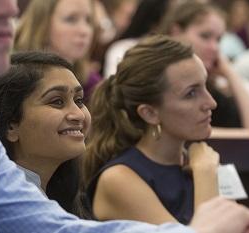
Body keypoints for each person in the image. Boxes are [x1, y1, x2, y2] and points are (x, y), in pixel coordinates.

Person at [0, 0, 249, 233]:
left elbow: (55, 226)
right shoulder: (121, 176)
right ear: (148, 111)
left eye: (79, 99)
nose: (8, 8)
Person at [81, 35, 220, 224]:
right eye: (191, 93)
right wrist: (205, 173)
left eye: (206, 85)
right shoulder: (119, 180)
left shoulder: (201, 159)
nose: (211, 103)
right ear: (150, 113)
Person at [0, 52, 91, 213]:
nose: (79, 115)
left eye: (79, 101)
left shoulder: (59, 190)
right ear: (10, 126)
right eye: (57, 101)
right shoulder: (6, 201)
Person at [158, 1, 249, 129]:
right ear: (176, 32)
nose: (215, 47)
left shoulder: (210, 88)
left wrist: (229, 72)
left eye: (218, 39)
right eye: (205, 36)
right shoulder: (155, 78)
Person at [14, 0, 101, 102]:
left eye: (88, 20)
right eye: (71, 19)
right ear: (42, 25)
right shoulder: (14, 79)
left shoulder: (91, 83)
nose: (84, 31)